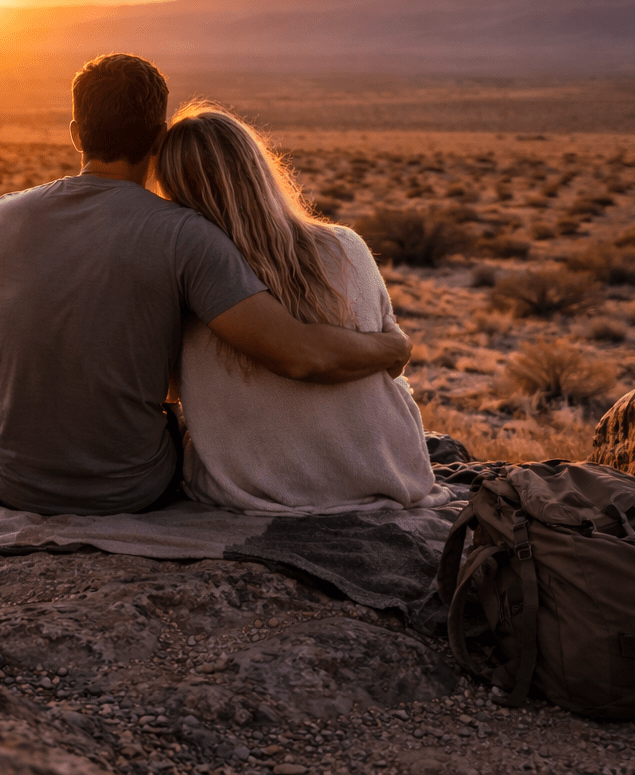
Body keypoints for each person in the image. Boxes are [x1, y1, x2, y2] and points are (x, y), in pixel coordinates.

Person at [0, 53, 411, 516]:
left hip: (7, 482)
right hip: (133, 489)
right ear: (159, 139)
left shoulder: (2, 214)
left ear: (76, 133)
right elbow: (297, 353)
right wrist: (391, 349)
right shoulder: (185, 234)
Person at [153, 101, 447, 514]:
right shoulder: (346, 246)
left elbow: (170, 388)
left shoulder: (183, 276)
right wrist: (395, 346)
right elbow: (392, 366)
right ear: (257, 168)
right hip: (385, 472)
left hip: (255, 486)